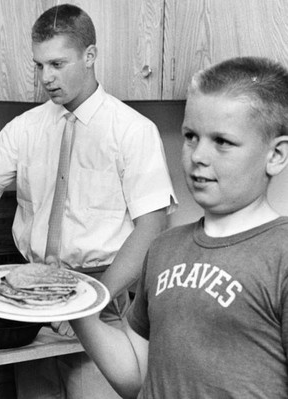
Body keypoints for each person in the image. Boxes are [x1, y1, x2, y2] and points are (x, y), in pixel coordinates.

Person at [0, 4, 176, 399]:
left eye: (57, 64)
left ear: (90, 56)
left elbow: (152, 227)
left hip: (104, 300)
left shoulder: (132, 131)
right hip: (31, 303)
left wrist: (92, 302)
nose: (46, 78)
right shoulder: (24, 130)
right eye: (39, 65)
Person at [70, 55, 288, 398]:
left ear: (275, 155)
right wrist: (75, 306)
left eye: (223, 141)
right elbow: (136, 374)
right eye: (191, 136)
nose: (198, 155)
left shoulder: (282, 254)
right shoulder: (163, 249)